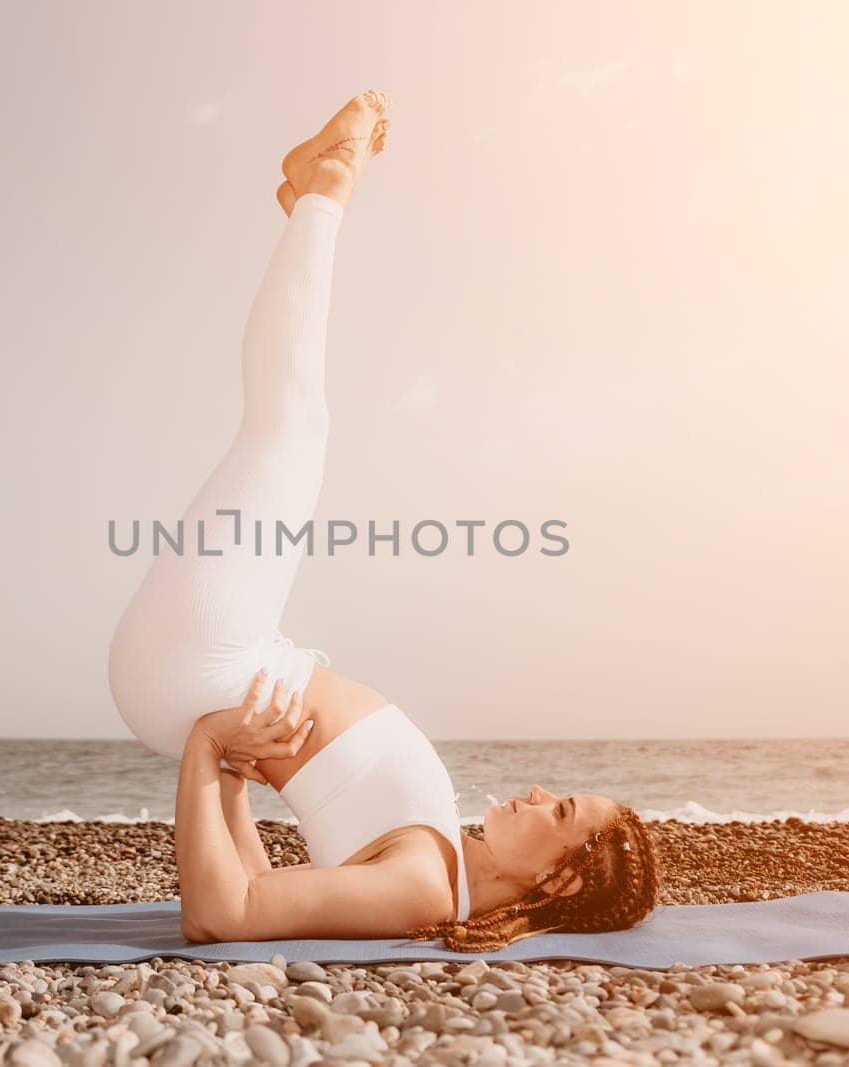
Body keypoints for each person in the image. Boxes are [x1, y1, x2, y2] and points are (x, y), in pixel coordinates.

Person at [107, 90, 659, 949]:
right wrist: (228, 772)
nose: (537, 792)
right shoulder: (437, 867)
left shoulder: (423, 888)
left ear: (563, 873)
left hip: (205, 665)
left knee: (291, 426)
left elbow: (222, 918)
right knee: (292, 428)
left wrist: (210, 739)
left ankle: (325, 187)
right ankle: (315, 196)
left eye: (560, 810)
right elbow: (257, 885)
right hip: (209, 671)